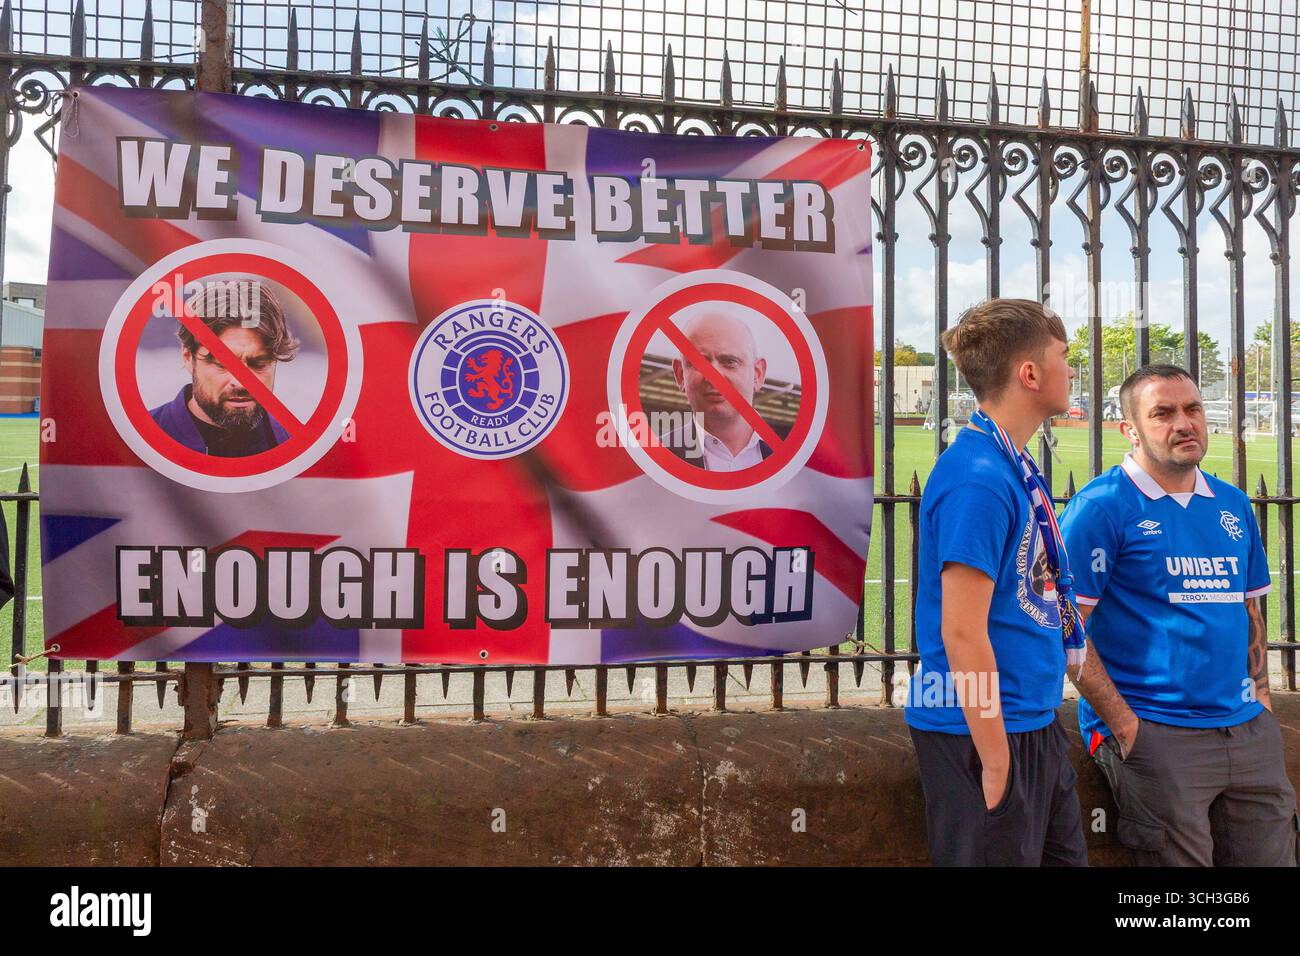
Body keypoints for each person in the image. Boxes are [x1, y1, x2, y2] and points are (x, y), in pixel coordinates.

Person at [1059, 364, 1298, 866]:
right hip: (1155, 732)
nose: (1184, 423)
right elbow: (1065, 626)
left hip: (1246, 731)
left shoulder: (1231, 503)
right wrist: (1127, 728)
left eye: (1192, 409)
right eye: (1162, 413)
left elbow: (1250, 609)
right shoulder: (1101, 508)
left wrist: (1262, 704)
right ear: (1130, 429)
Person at [904, 297, 1088, 867]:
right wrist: (998, 760)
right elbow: (961, 633)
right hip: (982, 735)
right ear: (1029, 373)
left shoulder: (1007, 464)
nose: (1072, 370)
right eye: (1063, 357)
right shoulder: (979, 478)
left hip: (1029, 723)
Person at [149, 281, 300, 458]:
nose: (241, 382)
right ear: (188, 357)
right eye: (222, 364)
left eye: (258, 364)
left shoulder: (298, 450)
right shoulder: (138, 439)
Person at [661, 311, 773, 471]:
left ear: (758, 374)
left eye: (729, 362)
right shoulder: (651, 462)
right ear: (680, 375)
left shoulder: (803, 461)